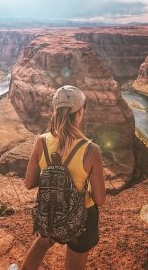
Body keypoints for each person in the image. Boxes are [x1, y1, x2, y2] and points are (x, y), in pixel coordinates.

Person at [21, 85, 106, 270]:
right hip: (81, 219)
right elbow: (100, 199)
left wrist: (53, 179)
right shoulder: (91, 150)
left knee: (42, 243)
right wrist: (77, 190)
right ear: (80, 112)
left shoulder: (41, 142)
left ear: (55, 111)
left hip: (50, 212)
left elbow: (29, 183)